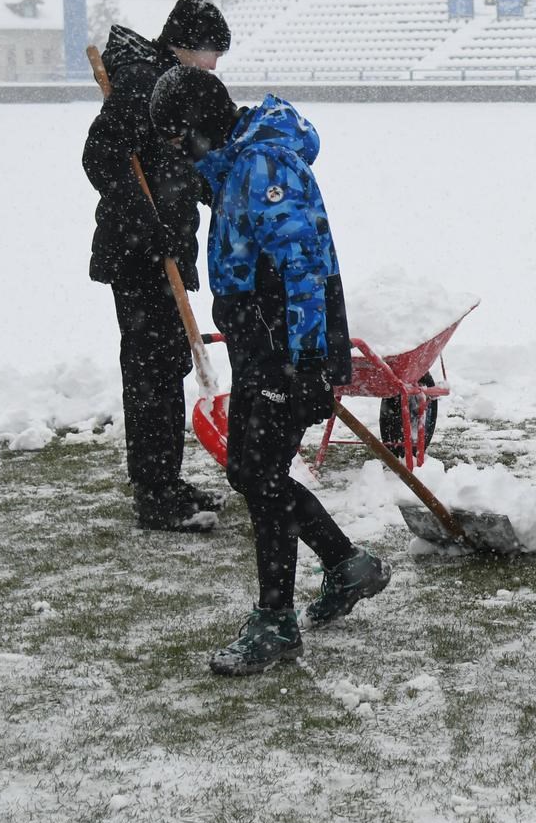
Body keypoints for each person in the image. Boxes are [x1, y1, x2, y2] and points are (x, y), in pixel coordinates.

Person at [149, 66, 390, 676]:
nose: (179, 151)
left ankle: (278, 619)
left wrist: (307, 361)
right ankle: (343, 565)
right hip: (264, 342)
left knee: (258, 473)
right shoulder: (239, 165)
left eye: (180, 138)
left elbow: (304, 268)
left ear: (201, 126)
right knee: (256, 471)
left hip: (287, 345)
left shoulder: (264, 169)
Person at [82, 0, 233, 532]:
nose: (215, 64)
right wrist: (146, 221)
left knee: (164, 367)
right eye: (212, 51)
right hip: (137, 253)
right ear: (185, 46)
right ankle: (155, 492)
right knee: (150, 373)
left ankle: (165, 479)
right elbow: (100, 157)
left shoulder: (175, 87)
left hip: (162, 246)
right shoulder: (144, 86)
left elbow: (176, 161)